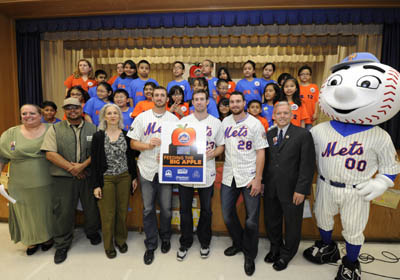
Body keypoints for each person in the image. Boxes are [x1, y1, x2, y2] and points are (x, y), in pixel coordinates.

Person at [302, 53, 400, 280]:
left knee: (354, 230)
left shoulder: (380, 135)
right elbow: (305, 156)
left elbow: (391, 167)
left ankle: (351, 262)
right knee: (323, 218)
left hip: (357, 189)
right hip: (325, 184)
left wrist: (383, 181)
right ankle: (328, 247)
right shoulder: (319, 130)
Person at [41, 97, 101, 264]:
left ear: (81, 109)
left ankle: (92, 232)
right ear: (64, 110)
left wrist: (82, 167)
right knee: (63, 211)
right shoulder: (55, 129)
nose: (72, 110)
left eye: (75, 107)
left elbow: (96, 153)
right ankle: (62, 244)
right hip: (63, 177)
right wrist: (72, 168)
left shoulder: (93, 128)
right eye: (68, 108)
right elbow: (50, 153)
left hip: (87, 176)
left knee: (91, 207)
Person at [128, 86, 179, 265]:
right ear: (152, 97)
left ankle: (165, 237)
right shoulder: (142, 117)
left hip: (166, 169)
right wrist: (148, 146)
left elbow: (180, 144)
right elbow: (133, 144)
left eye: (162, 95)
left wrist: (169, 152)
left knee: (166, 208)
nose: (159, 97)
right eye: (156, 95)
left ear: (167, 98)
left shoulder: (174, 119)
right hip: (146, 167)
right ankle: (151, 244)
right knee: (148, 208)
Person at [263, 101, 315, 271]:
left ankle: (286, 255)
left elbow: (307, 165)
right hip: (271, 188)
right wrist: (262, 182)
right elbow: (266, 162)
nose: (282, 116)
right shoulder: (269, 134)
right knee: (272, 221)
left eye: (286, 113)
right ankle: (275, 248)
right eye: (279, 113)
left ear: (292, 115)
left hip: (293, 190)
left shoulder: (302, 135)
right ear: (273, 116)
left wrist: (301, 189)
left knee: (292, 224)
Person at [221, 91, 267, 276]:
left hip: (249, 177)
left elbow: (261, 152)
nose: (234, 104)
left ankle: (250, 254)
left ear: (244, 103)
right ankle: (239, 243)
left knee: (251, 219)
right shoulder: (225, 122)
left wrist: (258, 179)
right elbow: (220, 146)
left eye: (238, 101)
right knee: (227, 214)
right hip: (229, 175)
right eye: (232, 102)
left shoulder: (255, 124)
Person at [176, 89, 224, 261]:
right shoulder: (184, 121)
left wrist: (214, 153)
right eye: (196, 99)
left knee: (206, 210)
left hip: (207, 171)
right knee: (185, 210)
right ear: (192, 102)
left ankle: (205, 241)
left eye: (202, 99)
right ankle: (185, 241)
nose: (199, 102)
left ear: (207, 102)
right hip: (186, 172)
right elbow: (176, 143)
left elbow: (221, 146)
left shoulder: (216, 122)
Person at [0, 104, 54, 255]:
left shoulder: (52, 130)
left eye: (32, 113)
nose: (28, 116)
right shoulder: (10, 134)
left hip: (47, 181)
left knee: (46, 210)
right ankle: (30, 241)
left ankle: (47, 238)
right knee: (24, 212)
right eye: (24, 114)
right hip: (19, 183)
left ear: (40, 114)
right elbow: (1, 157)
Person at [91, 104, 138, 259]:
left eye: (115, 113)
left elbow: (130, 158)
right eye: (109, 113)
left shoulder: (126, 134)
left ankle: (120, 240)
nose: (112, 116)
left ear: (119, 116)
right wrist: (96, 185)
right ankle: (108, 245)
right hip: (106, 178)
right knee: (108, 214)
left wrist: (133, 177)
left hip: (124, 177)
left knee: (122, 211)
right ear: (104, 117)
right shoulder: (98, 136)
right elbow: (95, 162)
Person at [298, 65, 320, 130]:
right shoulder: (296, 88)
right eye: (302, 74)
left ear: (310, 76)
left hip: (310, 117)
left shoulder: (314, 87)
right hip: (299, 117)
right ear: (299, 76)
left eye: (307, 74)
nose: (305, 76)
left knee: (308, 135)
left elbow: (316, 101)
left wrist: (316, 113)